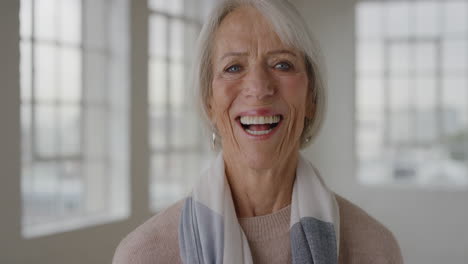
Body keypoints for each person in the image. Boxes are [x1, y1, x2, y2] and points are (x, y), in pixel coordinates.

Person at [113, 0, 403, 263]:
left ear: (311, 97)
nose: (259, 87)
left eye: (282, 64)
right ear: (208, 101)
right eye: (234, 67)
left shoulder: (374, 249)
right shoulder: (142, 256)